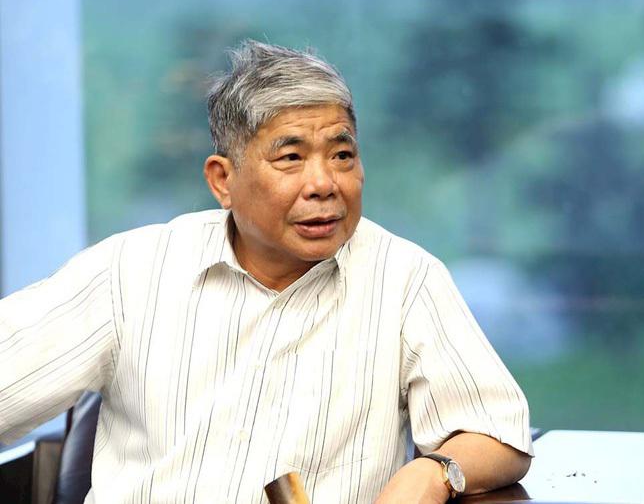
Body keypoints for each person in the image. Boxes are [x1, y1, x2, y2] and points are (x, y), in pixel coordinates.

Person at [0, 40, 532, 503]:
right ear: (223, 180)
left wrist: (434, 471)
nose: (324, 184)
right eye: (291, 158)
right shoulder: (132, 271)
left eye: (342, 155)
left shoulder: (404, 278)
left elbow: (498, 433)